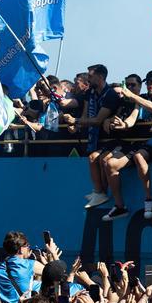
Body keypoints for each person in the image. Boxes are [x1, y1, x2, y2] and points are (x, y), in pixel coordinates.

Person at [101, 74, 152, 221]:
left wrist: (133, 97)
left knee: (139, 156)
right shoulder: (141, 98)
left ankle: (149, 200)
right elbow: (133, 117)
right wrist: (124, 125)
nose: (150, 85)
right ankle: (120, 206)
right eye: (148, 83)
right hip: (138, 142)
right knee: (109, 164)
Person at [59, 64, 124, 209]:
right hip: (95, 138)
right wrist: (76, 125)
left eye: (90, 76)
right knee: (92, 158)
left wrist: (76, 120)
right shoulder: (91, 93)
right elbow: (85, 116)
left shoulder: (110, 95)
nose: (88, 79)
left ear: (100, 77)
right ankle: (98, 192)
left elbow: (98, 120)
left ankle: (103, 193)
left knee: (98, 159)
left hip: (111, 139)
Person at [0, 230, 44, 303]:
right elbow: (54, 272)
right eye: (27, 246)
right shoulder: (29, 265)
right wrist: (50, 256)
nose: (29, 248)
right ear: (21, 249)